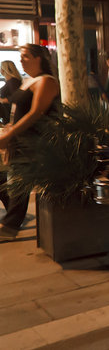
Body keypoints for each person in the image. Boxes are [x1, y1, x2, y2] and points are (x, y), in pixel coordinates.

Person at [0, 45, 60, 241]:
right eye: (20, 56)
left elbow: (36, 113)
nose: (21, 60)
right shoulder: (29, 80)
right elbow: (17, 112)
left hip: (34, 142)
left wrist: (10, 134)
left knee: (20, 183)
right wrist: (9, 129)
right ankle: (10, 224)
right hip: (20, 140)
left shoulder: (47, 81)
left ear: (38, 58)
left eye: (25, 56)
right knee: (15, 182)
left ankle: (9, 226)